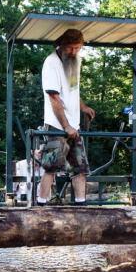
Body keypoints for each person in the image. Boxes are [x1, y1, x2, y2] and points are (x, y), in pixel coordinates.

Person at [37, 29, 95, 206]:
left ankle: (81, 205)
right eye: (71, 48)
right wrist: (66, 126)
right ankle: (41, 205)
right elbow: (54, 98)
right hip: (57, 125)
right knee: (50, 167)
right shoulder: (51, 63)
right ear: (61, 45)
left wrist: (83, 107)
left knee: (80, 168)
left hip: (73, 125)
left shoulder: (74, 62)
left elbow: (73, 90)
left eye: (78, 48)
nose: (74, 52)